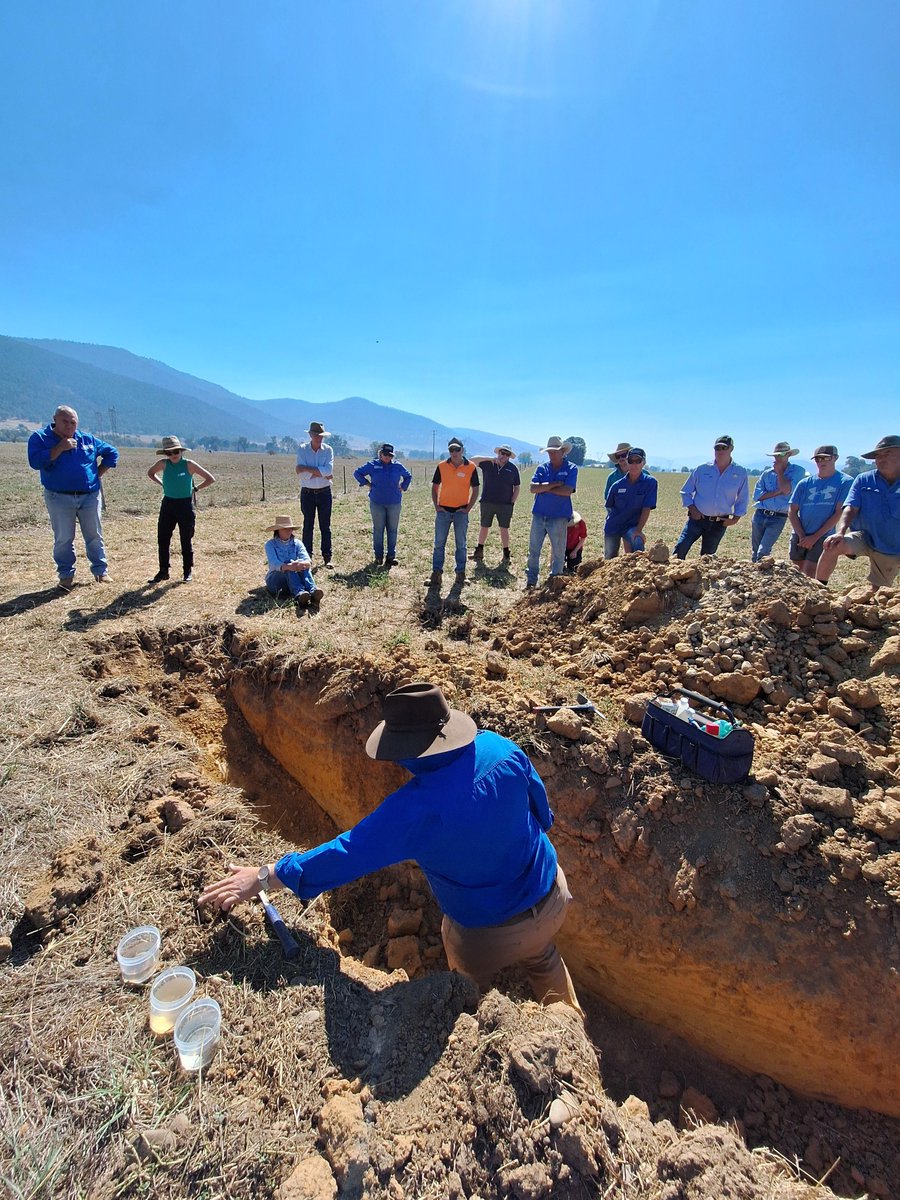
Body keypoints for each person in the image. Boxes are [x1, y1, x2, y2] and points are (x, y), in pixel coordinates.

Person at [199, 682, 583, 1014]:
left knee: (465, 978)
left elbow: (347, 854)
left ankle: (473, 1025)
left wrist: (265, 876)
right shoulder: (502, 748)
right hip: (553, 898)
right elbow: (542, 812)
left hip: (486, 937)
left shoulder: (414, 810)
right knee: (542, 954)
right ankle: (568, 1030)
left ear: (410, 751)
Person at [27, 405, 118, 588]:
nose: (69, 426)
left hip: (90, 496)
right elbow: (35, 462)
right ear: (55, 420)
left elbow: (112, 453)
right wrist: (58, 449)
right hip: (59, 497)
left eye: (73, 422)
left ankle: (101, 572)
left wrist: (96, 474)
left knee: (94, 535)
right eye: (65, 421)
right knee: (63, 537)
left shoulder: (87, 439)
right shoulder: (40, 438)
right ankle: (66, 575)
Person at [816, 435, 900, 588]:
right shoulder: (864, 480)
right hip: (865, 537)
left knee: (877, 593)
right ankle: (818, 592)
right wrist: (840, 532)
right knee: (832, 545)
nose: (880, 459)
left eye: (887, 453)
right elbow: (850, 508)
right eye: (877, 455)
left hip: (894, 546)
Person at [147, 436, 215, 583]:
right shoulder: (163, 464)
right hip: (167, 505)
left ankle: (187, 572)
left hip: (185, 506)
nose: (173, 455)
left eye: (176, 451)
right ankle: (163, 571)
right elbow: (150, 473)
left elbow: (210, 478)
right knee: (163, 539)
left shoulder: (189, 464)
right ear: (165, 454)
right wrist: (162, 484)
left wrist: (195, 488)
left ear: (181, 451)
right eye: (169, 453)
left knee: (186, 539)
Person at [674, 435, 749, 560]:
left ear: (731, 449)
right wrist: (693, 510)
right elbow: (685, 492)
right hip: (697, 520)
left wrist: (735, 519)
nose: (720, 451)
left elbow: (743, 497)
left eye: (724, 448)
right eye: (717, 448)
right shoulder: (702, 469)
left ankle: (701, 579)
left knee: (707, 559)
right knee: (679, 550)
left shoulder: (740, 472)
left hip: (719, 523)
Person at [787, 446, 852, 579]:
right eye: (818, 458)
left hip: (823, 535)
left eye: (826, 458)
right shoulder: (804, 483)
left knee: (810, 573)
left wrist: (814, 537)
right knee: (796, 573)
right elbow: (792, 511)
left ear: (835, 458)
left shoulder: (845, 482)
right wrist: (801, 535)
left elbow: (838, 513)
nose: (821, 461)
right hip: (800, 534)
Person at [525, 436, 578, 589]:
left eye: (555, 452)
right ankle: (531, 580)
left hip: (559, 517)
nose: (551, 455)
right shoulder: (542, 468)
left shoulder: (571, 468)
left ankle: (555, 582)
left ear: (563, 452)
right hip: (539, 514)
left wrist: (544, 487)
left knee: (559, 552)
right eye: (549, 452)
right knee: (534, 549)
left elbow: (567, 491)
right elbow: (533, 488)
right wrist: (554, 484)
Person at [353, 443, 413, 566]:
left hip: (394, 502)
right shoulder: (372, 465)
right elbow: (357, 473)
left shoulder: (397, 466)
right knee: (378, 529)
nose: (387, 457)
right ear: (380, 454)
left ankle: (391, 556)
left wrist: (403, 487)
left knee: (392, 530)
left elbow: (408, 476)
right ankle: (378, 557)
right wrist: (367, 484)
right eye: (385, 455)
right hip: (377, 502)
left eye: (390, 455)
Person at [430, 439, 479, 586]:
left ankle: (460, 574)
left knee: (461, 545)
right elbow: (434, 487)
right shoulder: (442, 466)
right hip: (443, 511)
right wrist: (437, 506)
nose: (454, 453)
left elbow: (476, 489)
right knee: (439, 544)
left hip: (461, 512)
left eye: (457, 450)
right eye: (451, 450)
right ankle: (436, 574)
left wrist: (468, 508)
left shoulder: (470, 467)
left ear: (462, 450)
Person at [750, 441, 807, 563]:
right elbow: (757, 496)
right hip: (760, 514)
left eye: (781, 455)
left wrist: (780, 473)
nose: (778, 458)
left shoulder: (798, 471)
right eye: (776, 455)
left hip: (778, 517)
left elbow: (787, 490)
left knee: (763, 551)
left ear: (789, 455)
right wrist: (778, 492)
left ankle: (761, 572)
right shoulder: (766, 474)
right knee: (755, 550)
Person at [469, 445, 521, 564]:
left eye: (507, 454)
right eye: (502, 453)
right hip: (487, 501)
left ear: (509, 457)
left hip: (505, 504)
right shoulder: (488, 464)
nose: (504, 456)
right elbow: (472, 460)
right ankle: (479, 551)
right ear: (498, 453)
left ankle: (506, 553)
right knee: (484, 526)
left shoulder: (513, 468)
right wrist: (489, 458)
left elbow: (517, 487)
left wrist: (512, 502)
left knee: (504, 529)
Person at [604, 447, 657, 557]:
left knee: (637, 542)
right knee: (610, 557)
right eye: (631, 461)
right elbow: (609, 506)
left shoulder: (650, 482)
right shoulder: (617, 485)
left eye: (638, 461)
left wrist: (639, 530)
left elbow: (646, 508)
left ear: (643, 463)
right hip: (614, 526)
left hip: (632, 526)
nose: (634, 464)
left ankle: (638, 572)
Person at [296, 421, 335, 568]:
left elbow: (328, 471)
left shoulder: (328, 450)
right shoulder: (302, 449)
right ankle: (307, 557)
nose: (319, 438)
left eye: (321, 435)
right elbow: (302, 475)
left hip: (325, 492)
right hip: (307, 493)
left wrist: (307, 469)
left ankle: (327, 557)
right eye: (316, 435)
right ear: (311, 435)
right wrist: (321, 472)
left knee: (325, 526)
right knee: (308, 526)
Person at [264, 514, 324, 608]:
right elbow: (274, 564)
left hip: (295, 577)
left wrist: (302, 564)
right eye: (285, 528)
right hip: (276, 580)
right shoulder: (270, 545)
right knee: (289, 565)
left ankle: (313, 591)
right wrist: (289, 566)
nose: (288, 531)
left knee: (303, 565)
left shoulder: (298, 543)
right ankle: (300, 594)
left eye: (290, 528)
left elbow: (307, 560)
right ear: (278, 530)